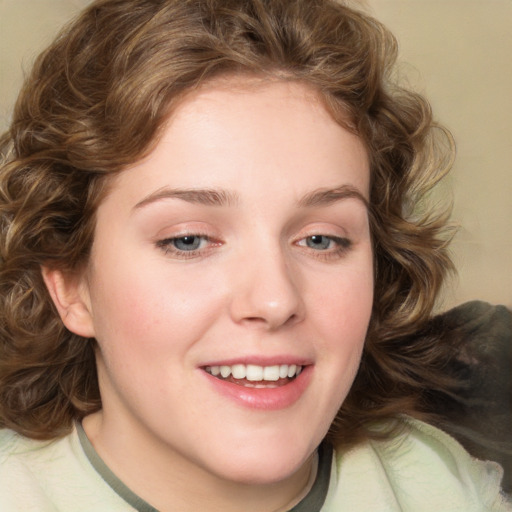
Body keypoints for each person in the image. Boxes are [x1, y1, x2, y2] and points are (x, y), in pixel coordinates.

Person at [0, 0, 509, 510]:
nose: (274, 300)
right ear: (70, 286)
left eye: (320, 239)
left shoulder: (445, 488)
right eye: (188, 240)